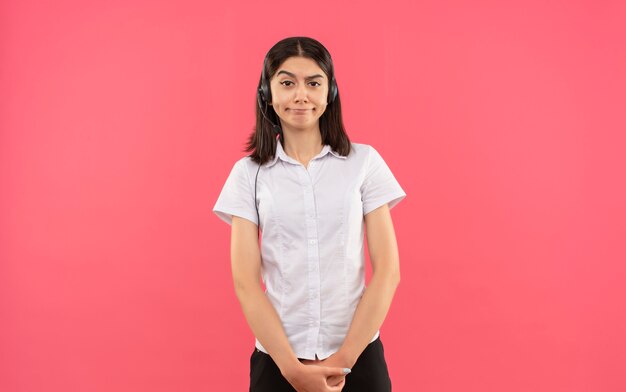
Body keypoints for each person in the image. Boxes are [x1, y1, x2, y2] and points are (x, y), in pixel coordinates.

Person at [213, 36, 406, 392]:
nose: (301, 95)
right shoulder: (247, 174)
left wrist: (343, 361)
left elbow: (388, 272)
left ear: (329, 91)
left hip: (358, 359)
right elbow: (245, 282)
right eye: (287, 83)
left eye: (313, 83)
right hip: (278, 363)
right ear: (266, 93)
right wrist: (291, 370)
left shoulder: (364, 163)